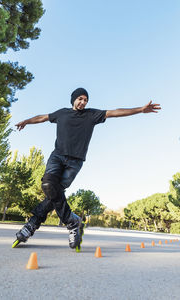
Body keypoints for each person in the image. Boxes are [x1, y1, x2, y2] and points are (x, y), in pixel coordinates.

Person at [14, 87, 161, 249]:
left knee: (55, 194)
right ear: (73, 99)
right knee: (48, 186)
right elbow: (42, 117)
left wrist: (140, 109)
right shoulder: (61, 113)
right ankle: (71, 221)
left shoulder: (91, 115)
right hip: (57, 156)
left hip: (75, 161)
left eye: (85, 100)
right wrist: (27, 121)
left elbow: (115, 112)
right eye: (80, 99)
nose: (83, 102)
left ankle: (31, 225)